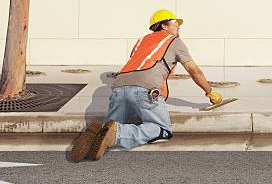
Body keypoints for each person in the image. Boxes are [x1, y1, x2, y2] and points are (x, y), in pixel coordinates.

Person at [71, 9, 223, 162]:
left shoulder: (141, 40)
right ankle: (118, 134)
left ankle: (100, 133)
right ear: (164, 25)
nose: (178, 27)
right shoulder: (174, 41)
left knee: (111, 125)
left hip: (118, 87)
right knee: (162, 129)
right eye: (175, 23)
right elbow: (194, 70)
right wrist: (209, 91)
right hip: (144, 89)